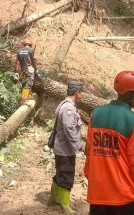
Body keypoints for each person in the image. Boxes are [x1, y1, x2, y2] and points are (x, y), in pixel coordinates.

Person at [84, 71, 134, 215]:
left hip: (97, 194)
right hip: (122, 196)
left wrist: (92, 177)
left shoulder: (96, 114)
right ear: (129, 95)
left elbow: (89, 151)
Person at [48, 80, 85, 214]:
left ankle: (53, 199)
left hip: (61, 147)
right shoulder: (69, 108)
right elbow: (69, 129)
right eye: (81, 93)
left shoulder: (63, 104)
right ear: (77, 92)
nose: (82, 95)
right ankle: (65, 205)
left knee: (60, 173)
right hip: (65, 149)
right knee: (67, 175)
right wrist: (80, 145)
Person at [15, 38, 37, 104]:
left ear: (24, 44)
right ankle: (24, 99)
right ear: (30, 44)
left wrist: (16, 71)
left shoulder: (19, 51)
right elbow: (32, 61)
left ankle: (24, 96)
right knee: (29, 83)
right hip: (29, 69)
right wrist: (35, 68)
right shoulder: (30, 50)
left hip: (23, 69)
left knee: (24, 83)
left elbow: (17, 62)